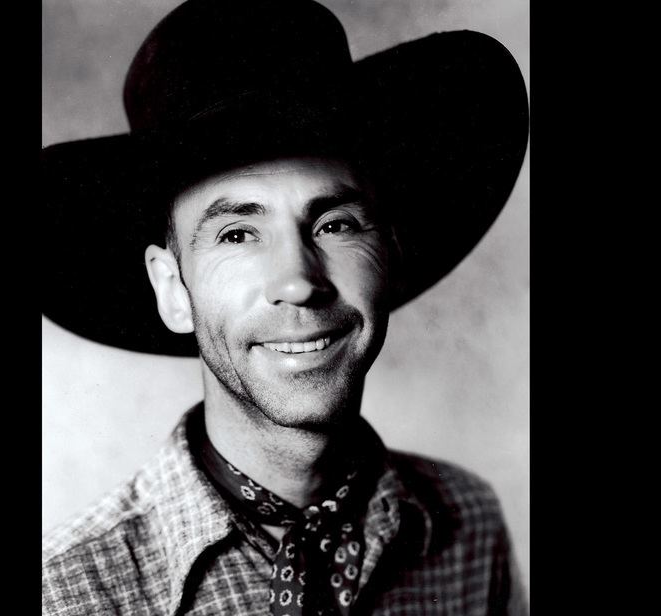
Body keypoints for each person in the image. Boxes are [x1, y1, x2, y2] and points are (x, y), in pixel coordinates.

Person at [42, 0, 529, 614]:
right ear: (171, 289)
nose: (298, 281)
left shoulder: (469, 530)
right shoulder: (64, 594)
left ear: (390, 252)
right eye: (237, 235)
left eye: (335, 223)